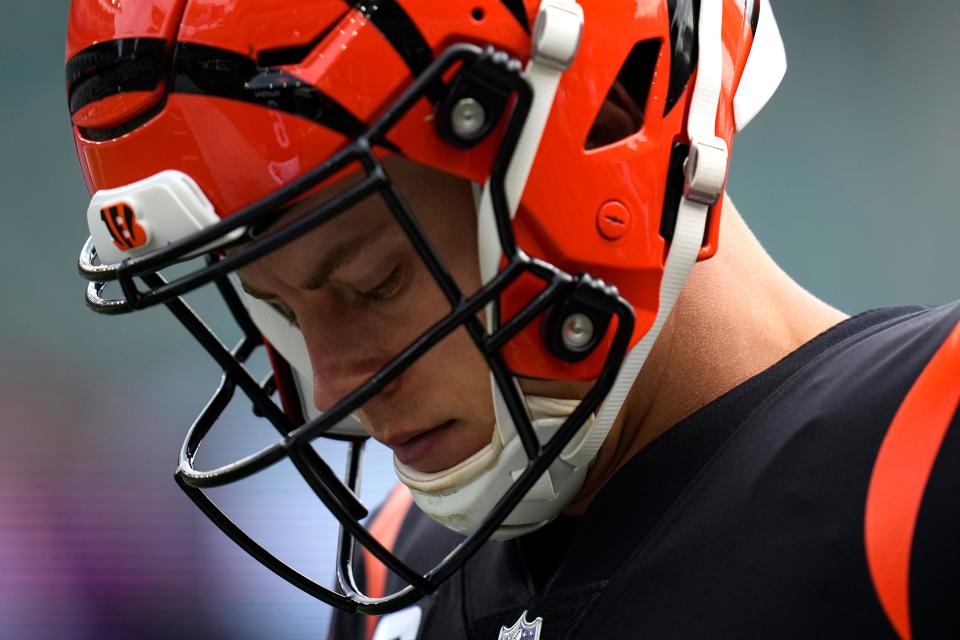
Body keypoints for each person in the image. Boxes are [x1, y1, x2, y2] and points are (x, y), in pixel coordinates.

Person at [65, 0, 959, 638]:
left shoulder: (922, 454)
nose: (334, 385)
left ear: (607, 123)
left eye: (375, 280)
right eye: (276, 309)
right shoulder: (391, 565)